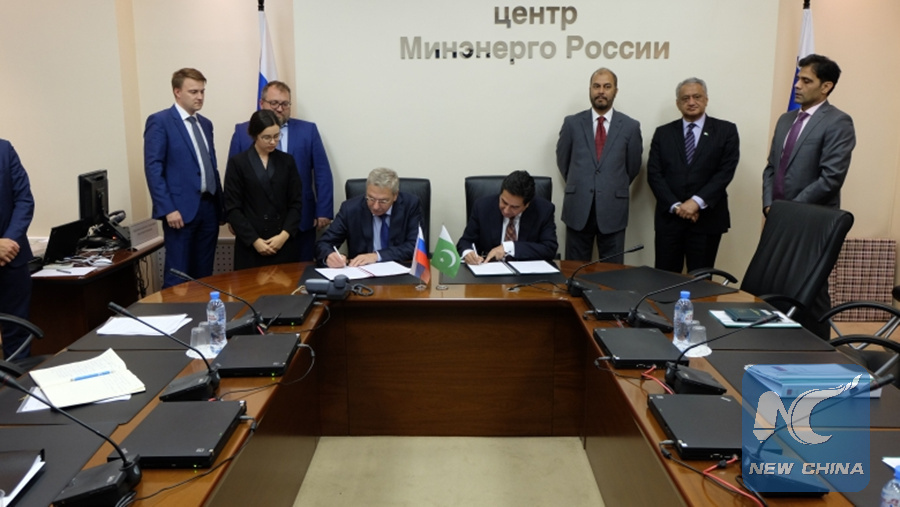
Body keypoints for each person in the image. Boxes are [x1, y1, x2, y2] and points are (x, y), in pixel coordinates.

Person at [228, 81, 333, 261]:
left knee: (299, 270)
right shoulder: (242, 131)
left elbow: (322, 171)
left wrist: (323, 210)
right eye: (274, 103)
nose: (279, 108)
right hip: (254, 223)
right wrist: (233, 220)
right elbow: (233, 183)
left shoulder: (308, 130)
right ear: (262, 103)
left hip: (300, 218)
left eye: (285, 104)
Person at [647, 78, 739, 273]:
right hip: (670, 221)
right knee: (664, 280)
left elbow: (725, 172)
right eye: (685, 98)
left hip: (707, 221)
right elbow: (654, 174)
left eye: (697, 97)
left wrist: (696, 202)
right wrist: (676, 206)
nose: (691, 102)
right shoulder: (663, 133)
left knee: (701, 282)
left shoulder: (726, 131)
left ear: (706, 99)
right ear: (678, 103)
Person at [144, 68, 223, 288]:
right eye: (193, 91)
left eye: (202, 91)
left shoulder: (205, 124)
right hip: (179, 211)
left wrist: (220, 207)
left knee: (204, 276)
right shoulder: (160, 121)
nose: (200, 97)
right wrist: (168, 208)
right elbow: (153, 168)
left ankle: (201, 310)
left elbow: (210, 166)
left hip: (209, 208)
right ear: (177, 92)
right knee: (178, 276)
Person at [557, 67, 643, 263]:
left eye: (607, 86)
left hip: (613, 209)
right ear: (590, 89)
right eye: (596, 86)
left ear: (615, 91)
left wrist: (609, 184)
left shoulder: (630, 126)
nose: (601, 91)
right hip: (578, 207)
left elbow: (632, 167)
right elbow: (563, 161)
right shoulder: (572, 123)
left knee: (612, 273)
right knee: (574, 269)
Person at [762, 54, 855, 214]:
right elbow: (771, 168)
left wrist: (789, 209)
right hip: (776, 213)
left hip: (811, 216)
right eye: (798, 79)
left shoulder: (838, 122)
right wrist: (769, 204)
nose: (797, 85)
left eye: (806, 81)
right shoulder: (785, 119)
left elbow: (831, 178)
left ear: (825, 87)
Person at [224, 110, 304, 270]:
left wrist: (284, 235)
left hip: (283, 242)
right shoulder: (238, 163)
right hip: (251, 244)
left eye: (277, 136)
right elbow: (232, 208)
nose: (273, 142)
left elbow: (296, 203)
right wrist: (255, 241)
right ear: (255, 135)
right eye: (267, 137)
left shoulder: (287, 161)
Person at [317, 168, 422, 267]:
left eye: (383, 201)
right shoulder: (350, 209)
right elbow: (324, 244)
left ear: (395, 196)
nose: (375, 206)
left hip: (400, 271)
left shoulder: (410, 205)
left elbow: (415, 246)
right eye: (371, 198)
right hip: (362, 272)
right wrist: (329, 256)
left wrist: (377, 256)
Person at [457, 170, 557, 264]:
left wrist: (509, 247)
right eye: (504, 202)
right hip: (490, 270)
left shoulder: (544, 210)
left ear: (527, 205)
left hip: (527, 273)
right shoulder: (482, 206)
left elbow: (549, 248)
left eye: (514, 207)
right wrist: (468, 253)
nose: (506, 210)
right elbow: (465, 241)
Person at [0, 139, 35, 360]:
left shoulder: (4, 149)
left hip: (12, 261)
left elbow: (24, 200)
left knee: (19, 341)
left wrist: (8, 241)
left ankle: (17, 384)